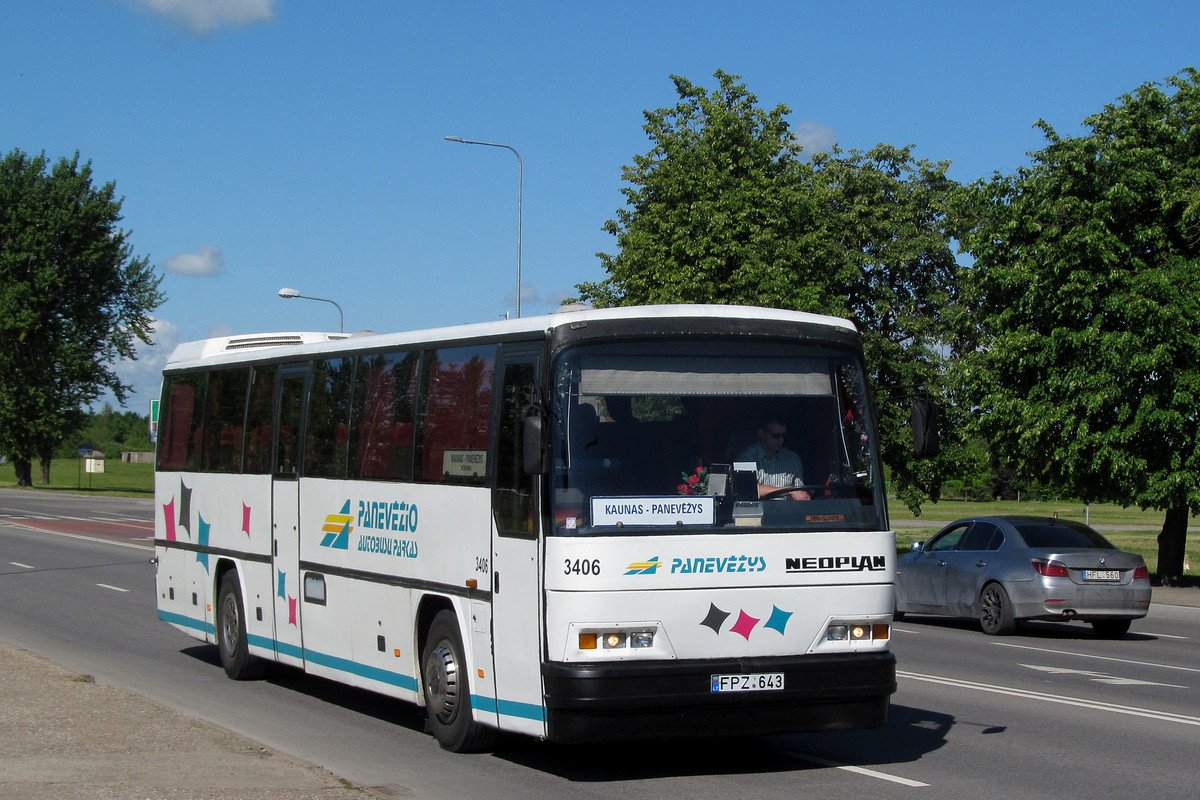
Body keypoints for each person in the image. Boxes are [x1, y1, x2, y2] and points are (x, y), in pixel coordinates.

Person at [736, 414, 810, 500]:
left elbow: (799, 491)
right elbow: (747, 490)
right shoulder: (746, 458)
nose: (781, 440)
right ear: (762, 434)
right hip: (759, 512)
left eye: (783, 436)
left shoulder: (792, 458)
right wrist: (789, 490)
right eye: (776, 436)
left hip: (788, 512)